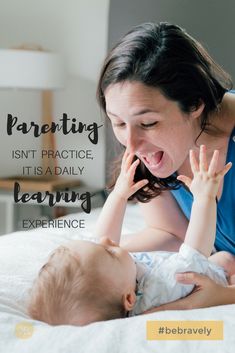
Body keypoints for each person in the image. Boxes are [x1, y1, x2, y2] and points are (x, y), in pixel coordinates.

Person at [96, 22, 235, 310]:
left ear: (195, 103)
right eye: (118, 123)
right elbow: (172, 232)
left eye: (148, 123)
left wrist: (224, 296)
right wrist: (97, 257)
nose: (131, 145)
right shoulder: (157, 154)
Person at [27, 147, 234, 325]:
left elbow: (100, 239)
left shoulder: (116, 282)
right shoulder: (163, 288)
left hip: (198, 264)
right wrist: (204, 197)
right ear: (129, 299)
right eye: (110, 252)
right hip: (215, 275)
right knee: (225, 260)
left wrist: (119, 195)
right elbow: (195, 251)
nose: (108, 241)